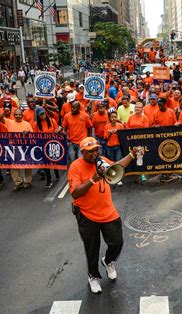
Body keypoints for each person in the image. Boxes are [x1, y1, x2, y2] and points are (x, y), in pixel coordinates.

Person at [68, 137, 142, 294]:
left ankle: (108, 261)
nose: (94, 153)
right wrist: (92, 180)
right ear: (82, 152)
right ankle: (93, 276)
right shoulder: (75, 167)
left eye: (96, 150)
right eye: (90, 152)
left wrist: (132, 154)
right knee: (92, 249)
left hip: (108, 211)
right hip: (87, 215)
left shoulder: (101, 160)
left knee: (117, 242)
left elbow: (116, 166)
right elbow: (75, 193)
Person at [0, 108, 34, 190]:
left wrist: (28, 133)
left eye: (20, 114)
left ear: (22, 115)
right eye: (16, 114)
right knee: (14, 166)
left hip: (25, 147)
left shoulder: (27, 124)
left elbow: (33, 135)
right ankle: (18, 182)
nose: (18, 116)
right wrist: (5, 112)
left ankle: (27, 181)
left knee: (27, 165)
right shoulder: (9, 122)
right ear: (14, 115)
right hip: (13, 147)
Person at [33, 107, 60, 188]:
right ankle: (49, 180)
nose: (42, 115)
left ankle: (57, 173)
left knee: (54, 162)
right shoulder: (36, 124)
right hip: (43, 146)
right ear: (38, 116)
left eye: (43, 113)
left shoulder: (52, 121)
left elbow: (57, 130)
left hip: (53, 145)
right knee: (45, 164)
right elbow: (35, 136)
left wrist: (58, 131)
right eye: (40, 114)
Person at [104, 111, 125, 185]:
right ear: (110, 118)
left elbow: (123, 137)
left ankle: (119, 179)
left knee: (118, 162)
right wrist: (110, 134)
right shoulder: (107, 126)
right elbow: (105, 138)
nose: (114, 118)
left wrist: (117, 133)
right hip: (109, 147)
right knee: (111, 163)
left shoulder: (120, 126)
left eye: (115, 117)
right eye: (112, 117)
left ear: (117, 117)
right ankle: (113, 177)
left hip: (118, 146)